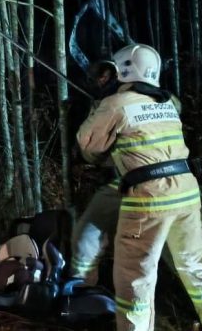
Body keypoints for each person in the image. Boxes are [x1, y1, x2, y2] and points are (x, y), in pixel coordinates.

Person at [76, 43, 202, 331]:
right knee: (197, 267)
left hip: (148, 199)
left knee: (135, 276)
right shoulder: (166, 104)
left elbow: (89, 148)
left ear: (122, 70)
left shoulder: (114, 104)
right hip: (187, 193)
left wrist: (98, 108)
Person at [69, 60, 121, 284]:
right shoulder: (103, 102)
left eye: (103, 76)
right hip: (112, 178)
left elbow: (90, 147)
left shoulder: (116, 103)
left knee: (92, 236)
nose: (99, 80)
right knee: (95, 237)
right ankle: (88, 289)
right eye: (98, 76)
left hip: (126, 179)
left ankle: (85, 287)